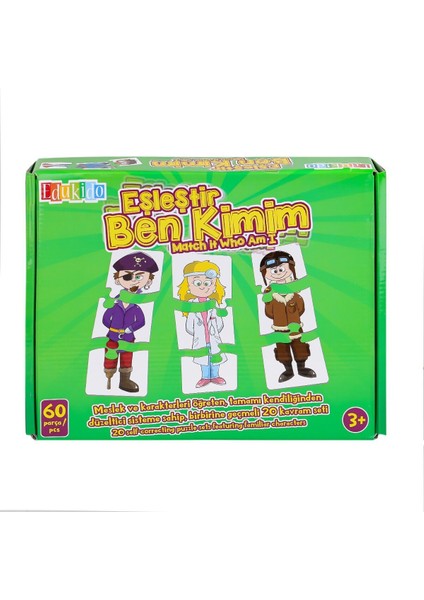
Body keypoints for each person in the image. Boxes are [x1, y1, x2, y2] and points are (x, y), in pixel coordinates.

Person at [103, 251, 158, 392]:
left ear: (148, 281)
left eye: (139, 277)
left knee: (127, 358)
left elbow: (141, 321)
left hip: (128, 338)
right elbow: (105, 318)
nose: (133, 280)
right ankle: (108, 378)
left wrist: (129, 329)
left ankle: (124, 381)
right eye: (127, 276)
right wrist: (113, 328)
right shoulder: (114, 303)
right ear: (118, 279)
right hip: (112, 337)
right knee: (110, 358)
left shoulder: (136, 306)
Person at [260, 250, 316, 383]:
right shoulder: (270, 295)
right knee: (282, 351)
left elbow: (301, 308)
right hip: (279, 328)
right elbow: (269, 313)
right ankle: (288, 370)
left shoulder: (294, 292)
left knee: (300, 348)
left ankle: (302, 368)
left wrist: (293, 313)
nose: (279, 273)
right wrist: (269, 302)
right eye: (274, 271)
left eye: (281, 269)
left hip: (295, 327)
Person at [177, 260, 227, 388]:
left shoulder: (214, 304)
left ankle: (215, 376)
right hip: (200, 338)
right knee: (203, 358)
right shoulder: (191, 305)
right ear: (188, 286)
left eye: (207, 283)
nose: (203, 287)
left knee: (215, 357)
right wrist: (198, 333)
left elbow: (220, 323)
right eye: (197, 283)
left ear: (214, 286)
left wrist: (214, 330)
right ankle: (205, 377)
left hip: (213, 337)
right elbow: (189, 326)